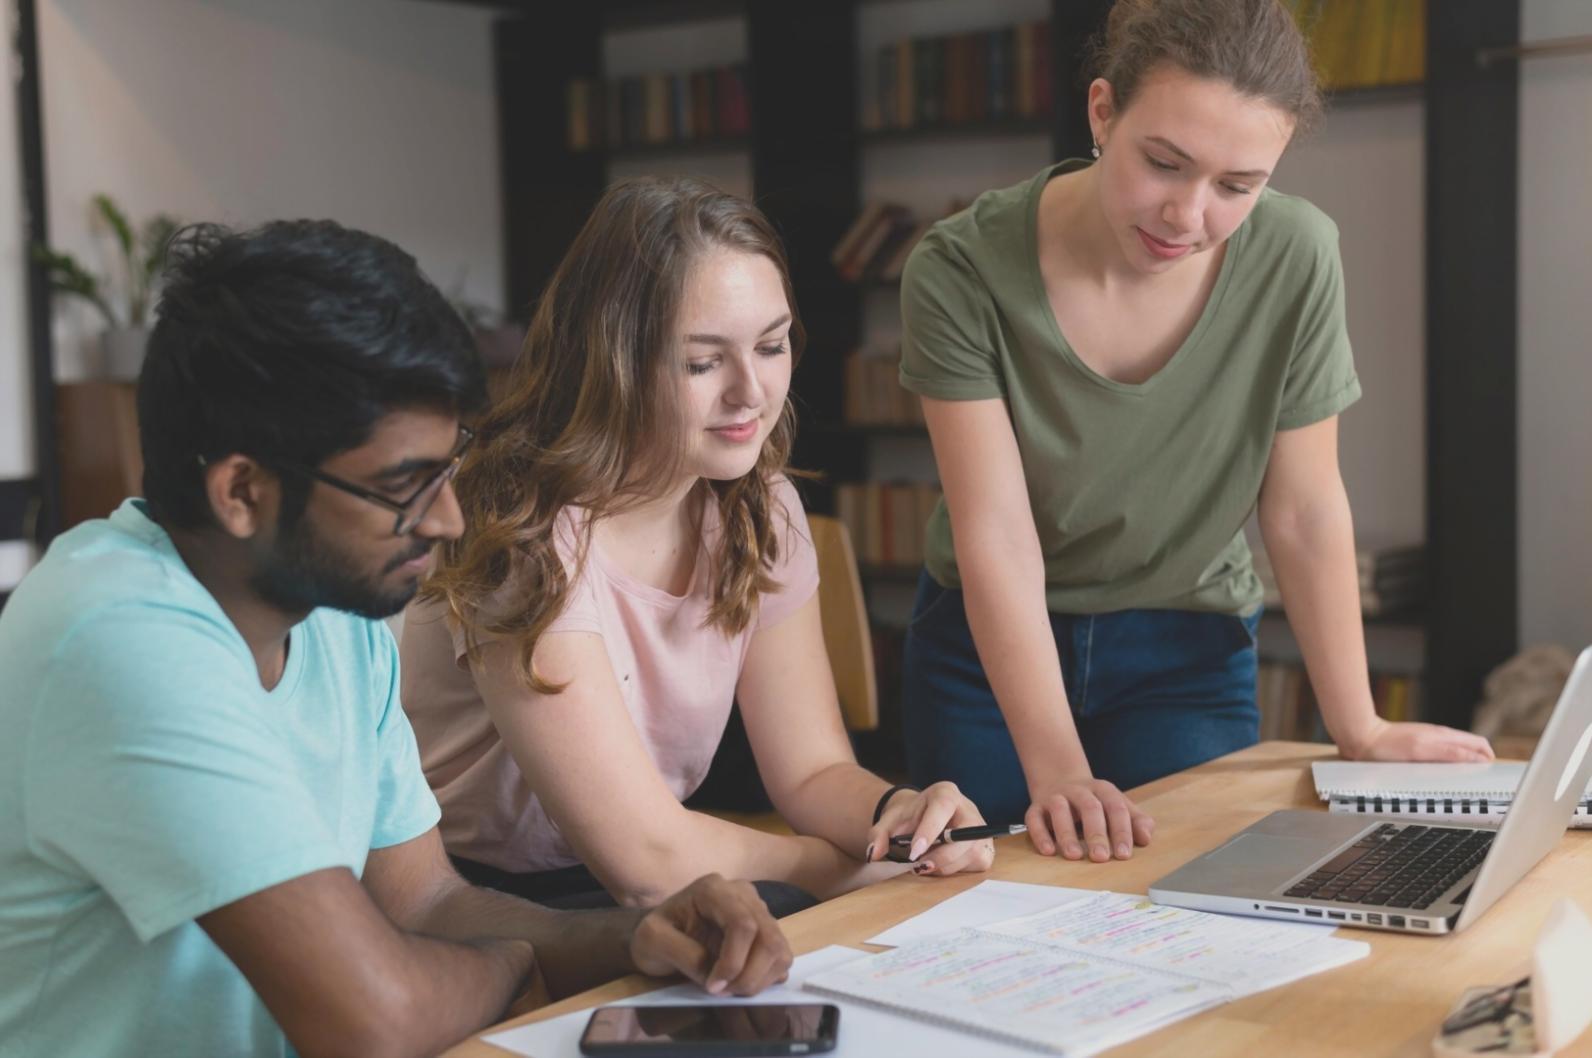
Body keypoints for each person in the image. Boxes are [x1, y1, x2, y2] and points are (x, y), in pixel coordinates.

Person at [0, 220, 792, 1058]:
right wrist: (515, 964)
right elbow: (373, 1021)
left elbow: (425, 904)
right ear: (242, 491)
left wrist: (634, 936)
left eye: (447, 470)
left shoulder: (331, 614)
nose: (447, 520)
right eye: (405, 486)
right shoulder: (119, 637)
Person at [898, 0, 1494, 867]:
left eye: (1236, 187)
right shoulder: (959, 268)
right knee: (976, 903)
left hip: (1186, 646)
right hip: (986, 650)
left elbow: (1303, 511)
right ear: (1103, 112)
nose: (1187, 214)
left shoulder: (1296, 255)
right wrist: (1058, 769)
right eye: (1163, 164)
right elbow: (995, 531)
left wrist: (1359, 726)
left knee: (1197, 897)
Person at [401, 176, 993, 913]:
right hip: (477, 898)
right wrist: (835, 870)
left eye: (771, 345)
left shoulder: (760, 506)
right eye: (702, 362)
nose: (752, 392)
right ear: (612, 361)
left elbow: (811, 772)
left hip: (659, 868)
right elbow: (644, 860)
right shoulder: (519, 525)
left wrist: (899, 816)